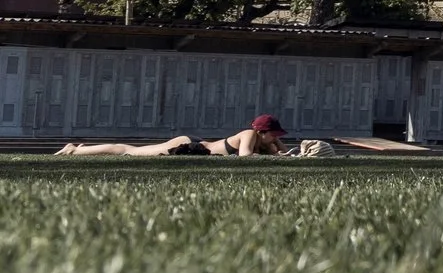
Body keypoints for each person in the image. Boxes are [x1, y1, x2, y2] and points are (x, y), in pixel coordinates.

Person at [59, 115, 288, 157]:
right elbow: (244, 156)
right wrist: (276, 152)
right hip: (188, 146)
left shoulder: (264, 142)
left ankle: (78, 149)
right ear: (261, 132)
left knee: (130, 151)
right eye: (273, 134)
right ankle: (75, 150)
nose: (275, 138)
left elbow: (286, 155)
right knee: (129, 151)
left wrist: (278, 145)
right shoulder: (249, 134)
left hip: (196, 149)